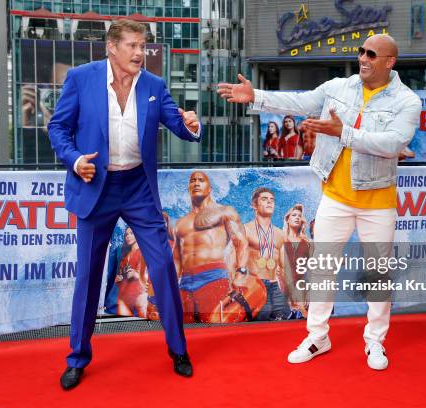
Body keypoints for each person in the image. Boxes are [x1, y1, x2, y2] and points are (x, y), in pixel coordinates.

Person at [218, 34, 422, 370]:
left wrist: (343, 133)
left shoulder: (407, 101)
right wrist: (256, 96)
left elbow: (392, 143)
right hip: (335, 198)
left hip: (378, 203)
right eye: (361, 52)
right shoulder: (340, 87)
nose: (363, 58)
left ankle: (374, 341)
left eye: (372, 54)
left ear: (390, 62)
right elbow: (299, 102)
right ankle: (317, 336)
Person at [48, 19, 202, 389]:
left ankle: (178, 349)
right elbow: (58, 128)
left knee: (163, 265)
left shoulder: (154, 85)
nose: (139, 53)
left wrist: (191, 124)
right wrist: (75, 160)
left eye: (143, 46)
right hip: (95, 185)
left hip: (137, 187)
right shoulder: (81, 79)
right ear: (111, 47)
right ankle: (77, 358)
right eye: (132, 45)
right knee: (88, 277)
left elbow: (177, 124)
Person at [174, 171, 250, 323]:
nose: (196, 183)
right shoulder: (180, 223)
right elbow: (177, 258)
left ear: (210, 188)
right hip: (186, 282)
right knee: (186, 326)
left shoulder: (224, 212)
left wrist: (240, 272)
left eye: (201, 180)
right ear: (188, 188)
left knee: (214, 323)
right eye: (192, 181)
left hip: (212, 276)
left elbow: (241, 242)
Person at [244, 188, 290, 320]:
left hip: (274, 285)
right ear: (254, 205)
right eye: (264, 199)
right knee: (261, 320)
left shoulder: (280, 234)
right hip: (255, 285)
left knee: (285, 318)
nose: (269, 202)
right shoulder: (244, 230)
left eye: (272, 200)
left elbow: (283, 266)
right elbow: (233, 261)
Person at [283, 204, 311, 318]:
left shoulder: (306, 242)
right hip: (283, 283)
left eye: (300, 216)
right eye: (294, 215)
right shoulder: (281, 238)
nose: (297, 217)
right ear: (287, 219)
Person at [115, 227, 148, 317]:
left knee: (144, 326)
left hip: (140, 295)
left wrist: (135, 274)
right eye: (126, 235)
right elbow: (119, 279)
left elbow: (151, 276)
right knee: (125, 327)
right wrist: (119, 279)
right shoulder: (124, 256)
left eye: (131, 233)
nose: (128, 236)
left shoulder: (144, 252)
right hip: (123, 296)